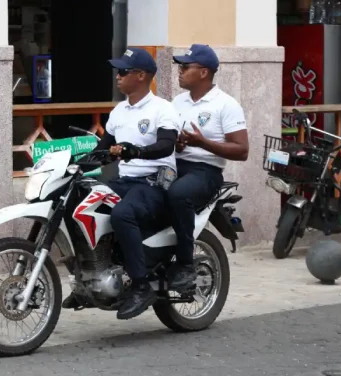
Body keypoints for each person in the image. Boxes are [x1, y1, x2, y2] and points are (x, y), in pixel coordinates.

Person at [62, 47, 180, 320]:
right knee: (75, 201)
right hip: (125, 181)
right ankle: (86, 278)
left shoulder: (162, 109)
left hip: (153, 183)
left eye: (122, 71)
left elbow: (166, 145)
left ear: (140, 76)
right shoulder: (119, 111)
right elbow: (104, 151)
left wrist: (134, 151)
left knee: (122, 214)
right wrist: (74, 163)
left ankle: (141, 285)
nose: (117, 76)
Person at [166, 44, 249, 292]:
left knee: (178, 194)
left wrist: (203, 143)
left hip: (205, 171)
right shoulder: (177, 102)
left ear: (203, 72)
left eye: (185, 67)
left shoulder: (225, 104)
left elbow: (242, 150)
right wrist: (178, 143)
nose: (179, 72)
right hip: (175, 164)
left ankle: (185, 266)